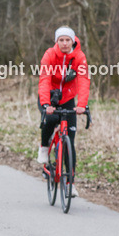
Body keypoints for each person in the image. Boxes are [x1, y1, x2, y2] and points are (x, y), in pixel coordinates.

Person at [37, 27, 90, 174]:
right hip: (50, 96)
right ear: (57, 41)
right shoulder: (49, 54)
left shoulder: (79, 56)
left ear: (72, 41)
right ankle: (44, 147)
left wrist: (82, 105)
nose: (65, 43)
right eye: (61, 40)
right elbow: (44, 79)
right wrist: (45, 104)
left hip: (67, 98)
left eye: (67, 40)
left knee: (70, 141)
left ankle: (70, 180)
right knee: (51, 119)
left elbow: (84, 80)